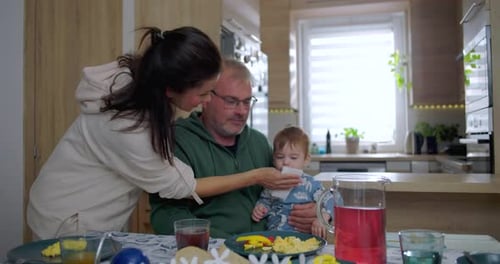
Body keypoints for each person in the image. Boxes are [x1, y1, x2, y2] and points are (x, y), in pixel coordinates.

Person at [27, 26, 300, 240]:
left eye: (246, 101)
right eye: (206, 94)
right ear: (171, 90)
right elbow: (182, 189)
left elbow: (283, 201)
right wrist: (254, 177)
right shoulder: (130, 129)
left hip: (96, 215)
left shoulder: (145, 84)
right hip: (69, 217)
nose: (205, 101)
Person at [149, 59, 314, 239]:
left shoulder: (259, 142)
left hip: (266, 249)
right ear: (206, 98)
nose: (242, 111)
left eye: (246, 102)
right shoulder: (177, 140)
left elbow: (282, 195)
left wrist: (311, 211)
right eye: (231, 101)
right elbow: (165, 216)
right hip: (213, 251)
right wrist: (228, 244)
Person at [251, 126, 341, 239]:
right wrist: (260, 208)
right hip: (274, 239)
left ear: (306, 160)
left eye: (293, 158)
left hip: (303, 241)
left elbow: (333, 199)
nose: (286, 162)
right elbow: (265, 201)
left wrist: (323, 216)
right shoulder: (272, 183)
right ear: (273, 159)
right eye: (280, 157)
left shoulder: (312, 184)